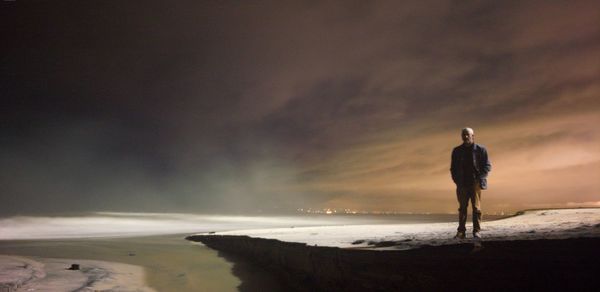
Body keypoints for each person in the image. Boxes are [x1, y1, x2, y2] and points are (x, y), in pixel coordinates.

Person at [450, 127, 491, 239]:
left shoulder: (481, 149)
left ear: (473, 136)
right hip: (462, 184)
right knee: (462, 208)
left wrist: (479, 179)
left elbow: (487, 166)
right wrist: (457, 181)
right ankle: (461, 232)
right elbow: (453, 168)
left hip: (475, 184)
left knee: (476, 209)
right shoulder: (456, 151)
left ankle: (476, 231)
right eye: (463, 134)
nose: (465, 136)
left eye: (467, 134)